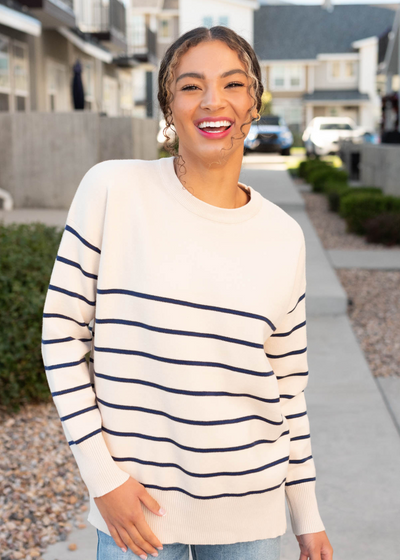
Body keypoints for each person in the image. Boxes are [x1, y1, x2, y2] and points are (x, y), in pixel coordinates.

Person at [41, 25, 334, 560]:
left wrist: (307, 518)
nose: (213, 101)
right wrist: (102, 479)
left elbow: (288, 388)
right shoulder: (112, 190)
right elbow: (60, 337)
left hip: (252, 512)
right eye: (191, 86)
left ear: (253, 105)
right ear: (168, 107)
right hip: (138, 514)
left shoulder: (283, 238)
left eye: (233, 84)